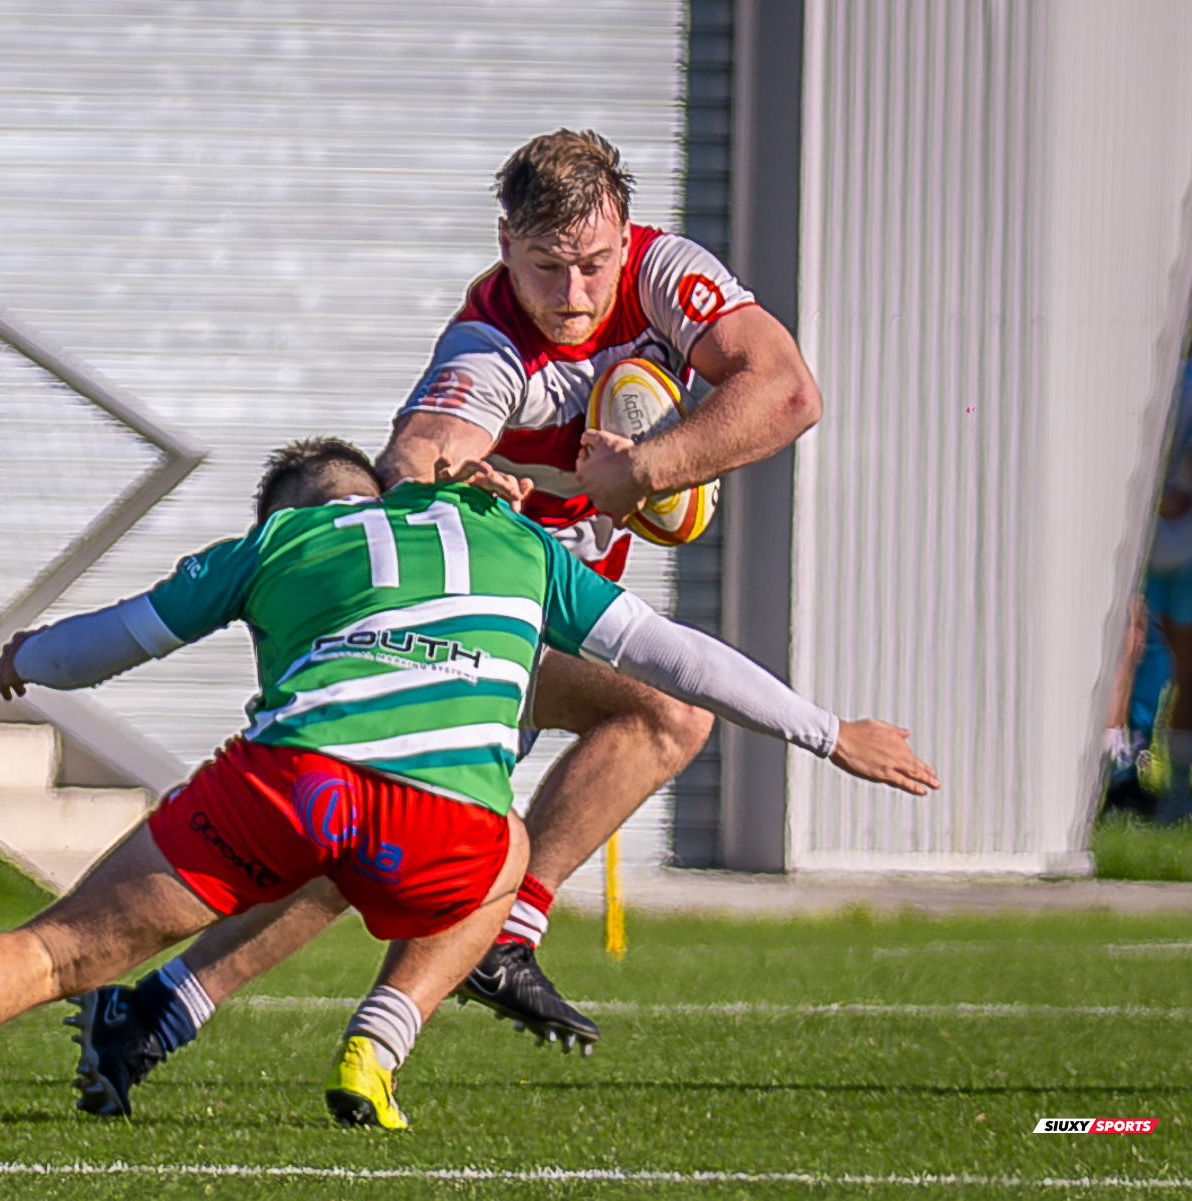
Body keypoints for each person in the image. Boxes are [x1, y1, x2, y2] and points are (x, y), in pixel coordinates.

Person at [0, 439, 936, 1131]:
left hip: (289, 787)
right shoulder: (508, 538)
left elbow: (120, 636)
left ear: (289, 512)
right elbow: (681, 660)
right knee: (505, 848)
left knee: (59, 947)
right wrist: (830, 733)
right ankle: (375, 1048)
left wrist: (25, 659)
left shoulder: (278, 541)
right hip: (442, 816)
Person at [75, 128, 827, 1102]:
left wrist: (638, 473)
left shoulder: (664, 277)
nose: (575, 295)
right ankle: (503, 936)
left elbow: (787, 392)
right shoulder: (488, 342)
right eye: (547, 268)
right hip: (485, 619)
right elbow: (426, 448)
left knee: (360, 853)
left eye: (594, 264)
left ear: (625, 237)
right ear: (506, 242)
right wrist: (459, 477)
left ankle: (155, 1012)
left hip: (525, 623)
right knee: (662, 710)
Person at [1142, 312, 1192, 824]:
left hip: (1148, 549)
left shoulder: (1171, 373)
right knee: (1191, 676)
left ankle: (1132, 776)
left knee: (1143, 670)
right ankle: (1177, 797)